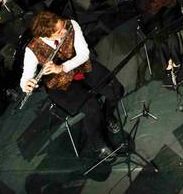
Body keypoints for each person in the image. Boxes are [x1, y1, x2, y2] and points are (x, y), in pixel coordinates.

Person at [19, 11, 124, 158]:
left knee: (116, 90)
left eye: (62, 26)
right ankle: (99, 145)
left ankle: (107, 116)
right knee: (92, 108)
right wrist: (26, 84)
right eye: (59, 32)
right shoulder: (32, 48)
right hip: (59, 83)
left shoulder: (71, 24)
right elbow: (26, 76)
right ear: (47, 36)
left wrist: (62, 67)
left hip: (79, 67)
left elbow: (84, 54)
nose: (64, 31)